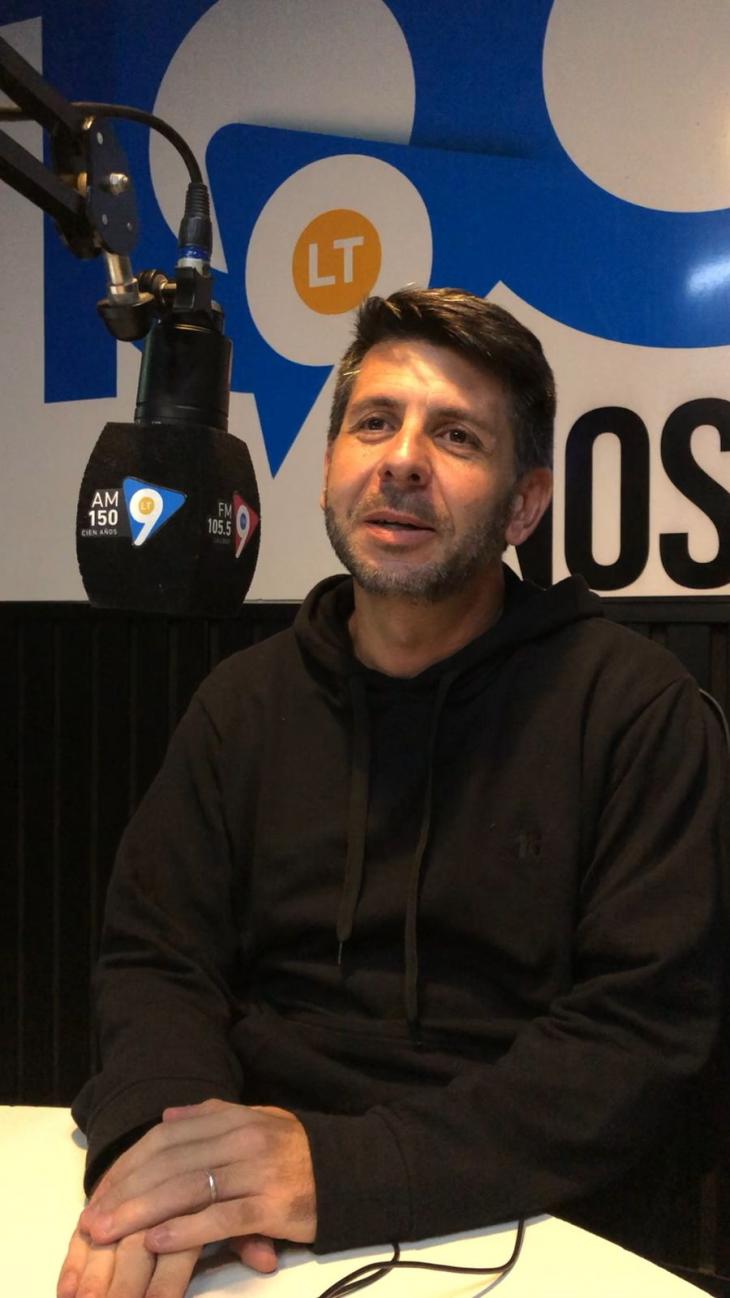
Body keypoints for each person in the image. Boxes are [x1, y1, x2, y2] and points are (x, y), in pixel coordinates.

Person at [58, 288, 727, 1298]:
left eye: (456, 436)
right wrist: (165, 1145)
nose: (403, 459)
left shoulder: (635, 712)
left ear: (524, 504)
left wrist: (341, 1172)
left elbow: (638, 1038)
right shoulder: (242, 705)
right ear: (329, 468)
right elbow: (158, 959)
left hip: (528, 1222)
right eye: (374, 422)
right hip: (255, 1225)